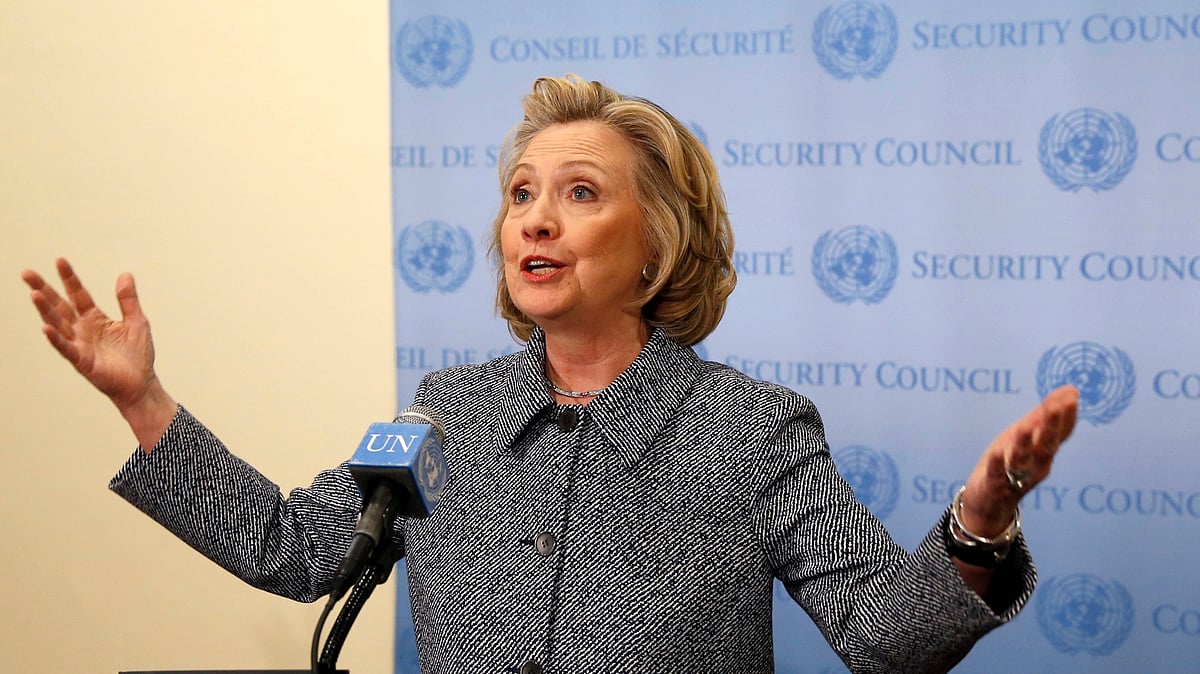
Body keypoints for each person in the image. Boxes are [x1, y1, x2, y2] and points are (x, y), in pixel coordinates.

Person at [22, 74, 1078, 674]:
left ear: (654, 242)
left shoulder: (752, 429)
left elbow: (888, 639)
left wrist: (978, 522)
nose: (533, 214)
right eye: (522, 190)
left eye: (579, 192)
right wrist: (142, 399)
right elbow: (296, 549)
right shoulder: (449, 410)